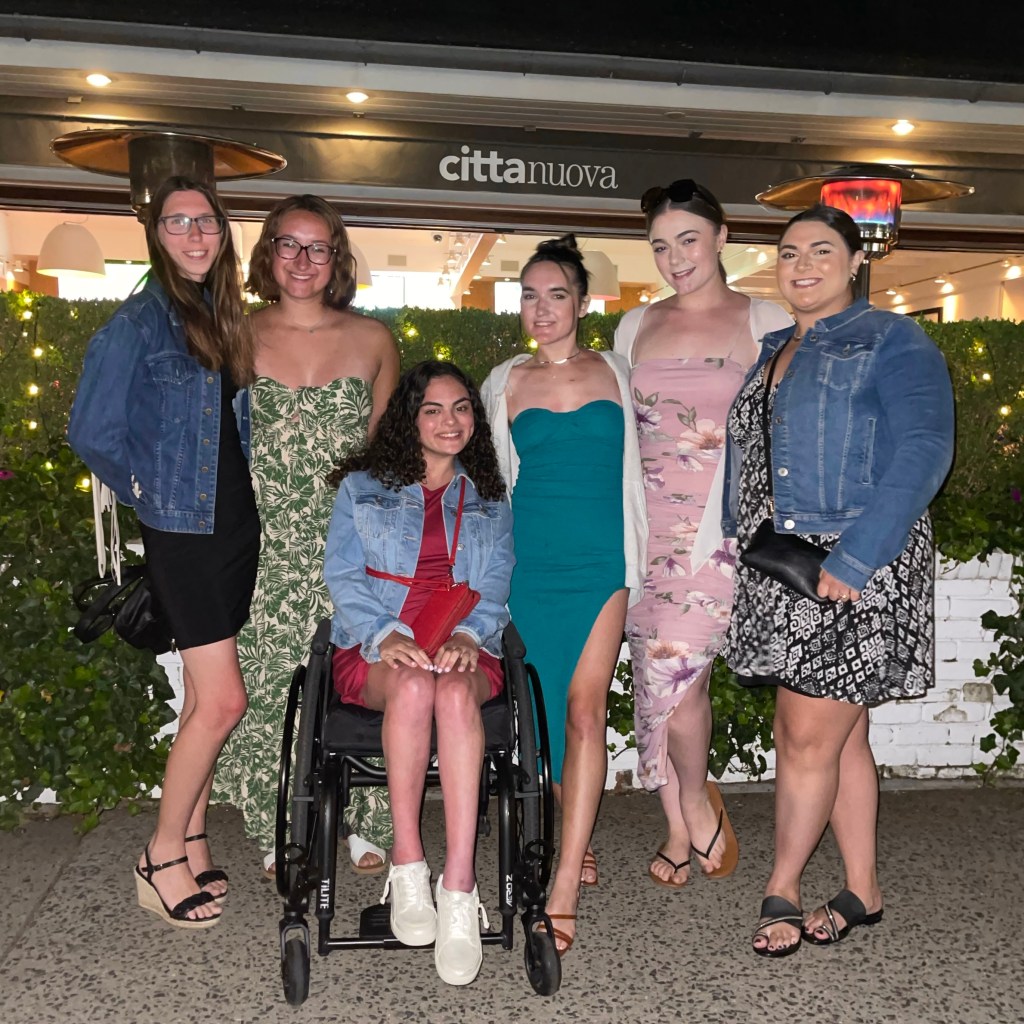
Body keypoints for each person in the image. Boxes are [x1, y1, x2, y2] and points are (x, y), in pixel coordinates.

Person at [721, 204, 955, 957]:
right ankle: (864, 889)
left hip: (853, 562)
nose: (802, 264)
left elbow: (924, 451)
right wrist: (737, 533)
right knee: (843, 737)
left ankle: (781, 886)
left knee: (804, 737)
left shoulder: (893, 339)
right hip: (787, 561)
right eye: (789, 253)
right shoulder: (775, 347)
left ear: (856, 261)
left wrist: (855, 560)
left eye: (822, 250)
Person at [68, 176, 259, 928]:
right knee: (224, 701)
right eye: (178, 222)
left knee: (200, 700)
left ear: (221, 233)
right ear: (156, 234)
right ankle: (159, 855)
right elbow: (91, 432)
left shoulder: (215, 314)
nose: (194, 234)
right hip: (185, 529)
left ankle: (194, 836)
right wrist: (152, 495)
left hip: (229, 524)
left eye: (205, 221)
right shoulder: (141, 320)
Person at [212, 195, 399, 876]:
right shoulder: (234, 333)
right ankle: (278, 826)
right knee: (269, 687)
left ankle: (367, 822)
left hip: (350, 544)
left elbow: (389, 459)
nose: (302, 259)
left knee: (360, 678)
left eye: (317, 247)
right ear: (267, 254)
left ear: (337, 260)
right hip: (260, 543)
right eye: (288, 245)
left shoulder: (374, 339)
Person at [614, 179, 792, 890]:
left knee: (677, 674)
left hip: (718, 529)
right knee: (653, 678)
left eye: (688, 239)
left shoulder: (767, 318)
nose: (674, 257)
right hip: (642, 526)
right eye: (660, 245)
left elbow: (787, 429)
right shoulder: (634, 327)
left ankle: (691, 798)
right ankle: (677, 822)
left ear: (722, 237)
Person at [482, 235, 646, 955]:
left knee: (585, 713)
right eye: (529, 294)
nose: (542, 308)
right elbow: (487, 487)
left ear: (583, 303)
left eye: (556, 295)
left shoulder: (620, 370)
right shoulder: (503, 381)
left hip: (603, 563)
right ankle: (573, 832)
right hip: (530, 566)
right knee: (539, 723)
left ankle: (563, 890)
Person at [324, 360, 513, 986]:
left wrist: (467, 633)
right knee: (412, 682)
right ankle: (407, 865)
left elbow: (495, 582)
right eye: (432, 409)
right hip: (379, 646)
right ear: (410, 419)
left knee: (454, 695)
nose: (449, 420)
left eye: (461, 407)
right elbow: (345, 579)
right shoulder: (361, 488)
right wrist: (387, 636)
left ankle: (458, 887)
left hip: (464, 643)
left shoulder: (488, 497)